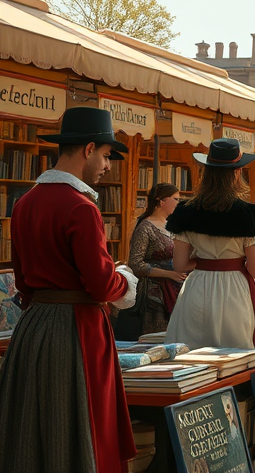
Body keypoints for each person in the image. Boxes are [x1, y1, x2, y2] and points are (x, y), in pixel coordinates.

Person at [0, 107, 137, 473]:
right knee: (83, 423)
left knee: (34, 430)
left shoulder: (24, 203)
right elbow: (101, 284)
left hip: (32, 329)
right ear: (89, 149)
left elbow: (23, 279)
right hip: (79, 331)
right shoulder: (82, 207)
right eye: (107, 156)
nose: (107, 166)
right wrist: (125, 280)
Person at [166, 138, 255, 350]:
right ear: (236, 173)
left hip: (197, 289)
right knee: (238, 354)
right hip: (235, 290)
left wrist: (203, 263)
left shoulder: (185, 211)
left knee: (193, 355)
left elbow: (179, 265)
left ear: (206, 172)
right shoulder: (248, 213)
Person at [119, 182, 187, 338]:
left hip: (176, 288)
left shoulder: (172, 225)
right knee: (156, 338)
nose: (178, 203)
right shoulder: (145, 227)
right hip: (153, 295)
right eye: (175, 199)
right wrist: (168, 274)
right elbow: (135, 264)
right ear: (161, 201)